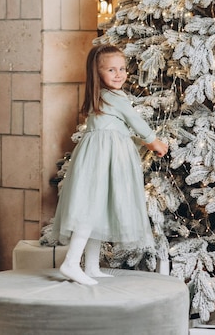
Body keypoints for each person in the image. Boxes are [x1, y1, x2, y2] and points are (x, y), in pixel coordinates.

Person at [51, 44, 168, 285]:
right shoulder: (112, 97)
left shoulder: (103, 98)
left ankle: (91, 265)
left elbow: (117, 131)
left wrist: (139, 143)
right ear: (98, 74)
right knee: (91, 209)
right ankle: (71, 262)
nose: (119, 74)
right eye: (111, 70)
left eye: (122, 68)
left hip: (103, 158)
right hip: (102, 161)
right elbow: (135, 122)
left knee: (99, 211)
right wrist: (154, 142)